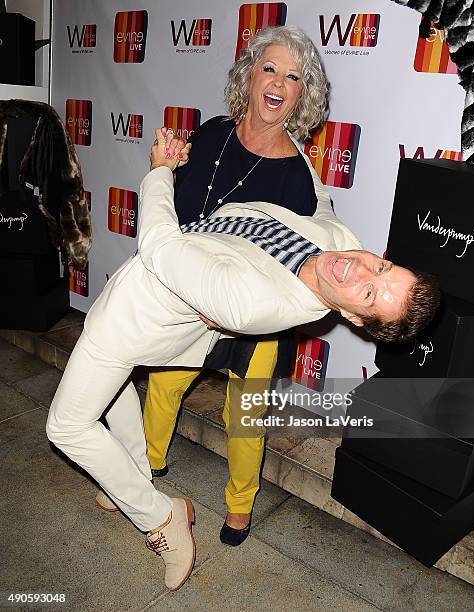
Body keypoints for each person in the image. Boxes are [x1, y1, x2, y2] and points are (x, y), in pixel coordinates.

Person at [47, 128, 439, 592]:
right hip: (135, 303)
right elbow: (321, 197)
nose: (361, 269)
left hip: (135, 315)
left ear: (353, 316)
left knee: (67, 427)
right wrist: (291, 134)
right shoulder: (338, 240)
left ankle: (160, 518)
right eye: (384, 267)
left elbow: (159, 248)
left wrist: (159, 170)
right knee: (111, 392)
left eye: (371, 292)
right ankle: (133, 480)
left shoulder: (254, 305)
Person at [142, 25, 334, 546]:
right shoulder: (208, 133)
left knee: (244, 414)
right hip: (187, 293)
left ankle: (240, 507)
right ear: (250, 76)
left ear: (302, 95)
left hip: (251, 313)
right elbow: (177, 215)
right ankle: (143, 476)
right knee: (163, 386)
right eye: (269, 68)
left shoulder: (297, 177)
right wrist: (164, 168)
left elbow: (282, 265)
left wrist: (229, 309)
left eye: (293, 77)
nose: (278, 83)